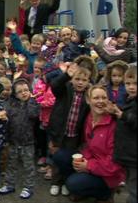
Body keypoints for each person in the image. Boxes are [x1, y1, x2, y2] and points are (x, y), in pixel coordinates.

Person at [53, 85, 126, 203]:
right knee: (59, 156)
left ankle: (105, 194)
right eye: (96, 98)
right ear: (88, 100)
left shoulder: (114, 124)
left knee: (72, 183)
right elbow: (88, 145)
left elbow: (115, 163)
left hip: (109, 174)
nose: (100, 101)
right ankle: (84, 189)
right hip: (94, 162)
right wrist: (84, 161)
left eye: (104, 98)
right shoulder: (89, 117)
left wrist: (88, 166)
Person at [48, 63, 92, 196]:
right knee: (56, 158)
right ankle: (56, 182)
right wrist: (66, 74)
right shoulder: (65, 89)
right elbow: (55, 85)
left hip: (75, 135)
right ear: (72, 79)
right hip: (60, 132)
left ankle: (66, 182)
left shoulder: (88, 95)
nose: (80, 82)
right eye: (77, 79)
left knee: (70, 160)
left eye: (84, 80)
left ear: (88, 82)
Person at [0, 78, 40, 199]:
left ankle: (28, 187)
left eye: (26, 90)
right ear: (15, 94)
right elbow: (6, 119)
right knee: (11, 164)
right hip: (13, 140)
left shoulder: (33, 103)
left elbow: (33, 114)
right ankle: (9, 184)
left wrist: (31, 100)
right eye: (20, 91)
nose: (24, 93)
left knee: (29, 166)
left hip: (28, 142)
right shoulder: (10, 104)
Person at [110, 66, 137, 203]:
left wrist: (123, 116)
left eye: (135, 84)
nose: (131, 87)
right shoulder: (128, 99)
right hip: (128, 153)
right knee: (130, 182)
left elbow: (132, 118)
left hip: (133, 155)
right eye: (128, 83)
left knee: (134, 188)